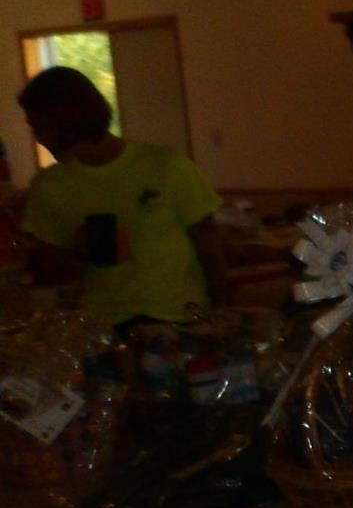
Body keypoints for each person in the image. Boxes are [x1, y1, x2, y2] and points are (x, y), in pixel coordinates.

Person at [15, 66, 224, 323]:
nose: (37, 138)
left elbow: (208, 241)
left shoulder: (166, 166)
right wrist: (79, 251)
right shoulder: (49, 185)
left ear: (63, 121)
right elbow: (48, 272)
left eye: (38, 127)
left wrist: (220, 308)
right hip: (104, 324)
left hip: (180, 317)